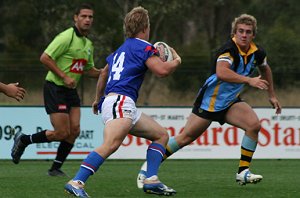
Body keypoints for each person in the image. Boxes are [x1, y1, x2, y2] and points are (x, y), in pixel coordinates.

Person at [137, 13, 282, 189]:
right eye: (241, 31)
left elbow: (266, 69)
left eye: (248, 32)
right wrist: (249, 80)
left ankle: (243, 172)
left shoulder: (257, 53)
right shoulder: (228, 50)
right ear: (234, 33)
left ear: (253, 35)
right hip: (210, 101)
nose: (244, 35)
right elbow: (222, 72)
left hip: (230, 101)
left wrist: (272, 95)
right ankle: (148, 168)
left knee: (254, 125)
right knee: (185, 138)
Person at [64, 6, 182, 197]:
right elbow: (162, 71)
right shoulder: (145, 47)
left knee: (161, 135)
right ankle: (77, 181)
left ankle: (151, 179)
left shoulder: (121, 50)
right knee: (111, 144)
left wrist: (98, 99)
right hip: (121, 101)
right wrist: (176, 60)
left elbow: (104, 73)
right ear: (145, 27)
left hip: (120, 103)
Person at [11, 3, 100, 176]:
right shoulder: (66, 37)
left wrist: (106, 72)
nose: (87, 19)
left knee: (74, 131)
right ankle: (23, 140)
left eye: (90, 17)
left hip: (70, 91)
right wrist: (64, 76)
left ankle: (55, 168)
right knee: (61, 132)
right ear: (76, 18)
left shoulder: (88, 44)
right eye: (84, 16)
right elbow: (45, 57)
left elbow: (88, 70)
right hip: (55, 88)